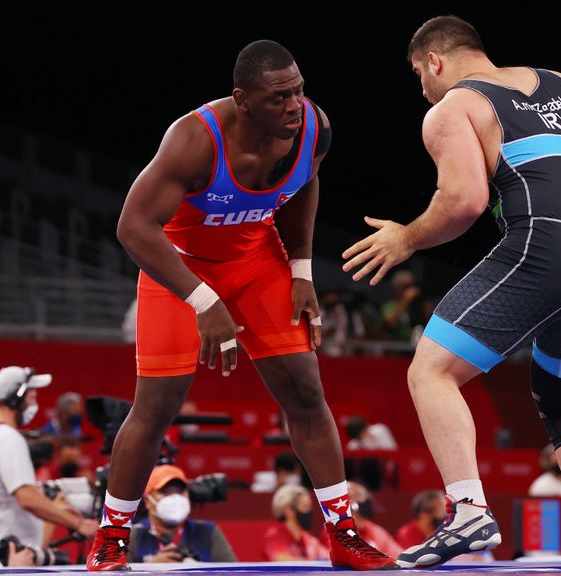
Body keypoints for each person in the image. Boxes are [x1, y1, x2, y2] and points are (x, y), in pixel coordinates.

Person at [86, 39, 396, 571]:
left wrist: (301, 269)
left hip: (256, 259)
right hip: (180, 266)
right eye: (279, 98)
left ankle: (343, 534)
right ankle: (112, 536)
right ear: (243, 100)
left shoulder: (313, 128)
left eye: (299, 91)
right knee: (157, 405)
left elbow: (304, 186)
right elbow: (133, 227)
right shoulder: (193, 140)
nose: (294, 106)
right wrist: (203, 299)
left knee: (306, 390)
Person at [342, 16, 561, 571]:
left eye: (418, 75)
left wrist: (406, 238)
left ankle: (469, 511)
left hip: (547, 249)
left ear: (434, 62)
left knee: (431, 370)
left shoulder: (453, 108)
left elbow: (463, 202)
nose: (421, 88)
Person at [0, 366, 98, 556]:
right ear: (17, 397)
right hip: (11, 555)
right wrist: (78, 523)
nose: (34, 404)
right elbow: (26, 497)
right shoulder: (7, 438)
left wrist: (57, 510)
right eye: (31, 396)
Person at [128, 464, 236, 563]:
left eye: (180, 492)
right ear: (148, 501)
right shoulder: (133, 535)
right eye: (165, 492)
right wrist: (150, 568)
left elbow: (234, 573)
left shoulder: (208, 531)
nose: (175, 498)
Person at [262, 484, 328, 562]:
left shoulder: (309, 539)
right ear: (289, 511)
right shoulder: (274, 536)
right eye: (305, 506)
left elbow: (327, 558)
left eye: (309, 507)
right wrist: (312, 562)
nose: (309, 512)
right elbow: (281, 560)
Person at [343, 482, 402, 558]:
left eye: (363, 498)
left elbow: (399, 557)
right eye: (356, 497)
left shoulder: (377, 532)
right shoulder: (335, 533)